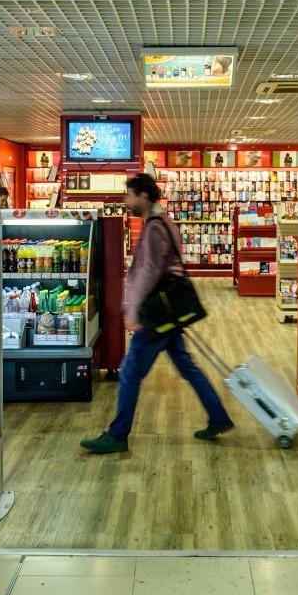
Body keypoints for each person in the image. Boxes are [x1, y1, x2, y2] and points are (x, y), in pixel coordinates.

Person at [81, 174, 233, 454]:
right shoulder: (165, 222)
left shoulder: (153, 228)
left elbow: (148, 271)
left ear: (145, 196)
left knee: (129, 373)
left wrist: (134, 309)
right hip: (169, 309)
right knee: (187, 366)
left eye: (130, 195)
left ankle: (117, 435)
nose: (127, 202)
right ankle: (219, 417)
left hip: (156, 312)